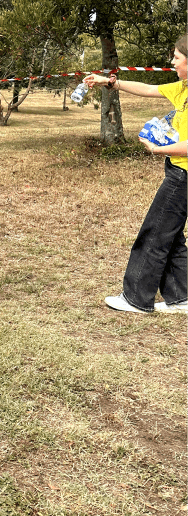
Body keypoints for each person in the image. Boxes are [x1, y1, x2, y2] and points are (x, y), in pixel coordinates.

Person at [85, 36, 188, 314]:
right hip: (178, 169)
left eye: (177, 57)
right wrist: (111, 81)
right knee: (172, 232)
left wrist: (158, 149)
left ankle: (136, 298)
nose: (173, 62)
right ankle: (181, 297)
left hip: (184, 177)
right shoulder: (182, 89)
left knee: (154, 233)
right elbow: (147, 87)